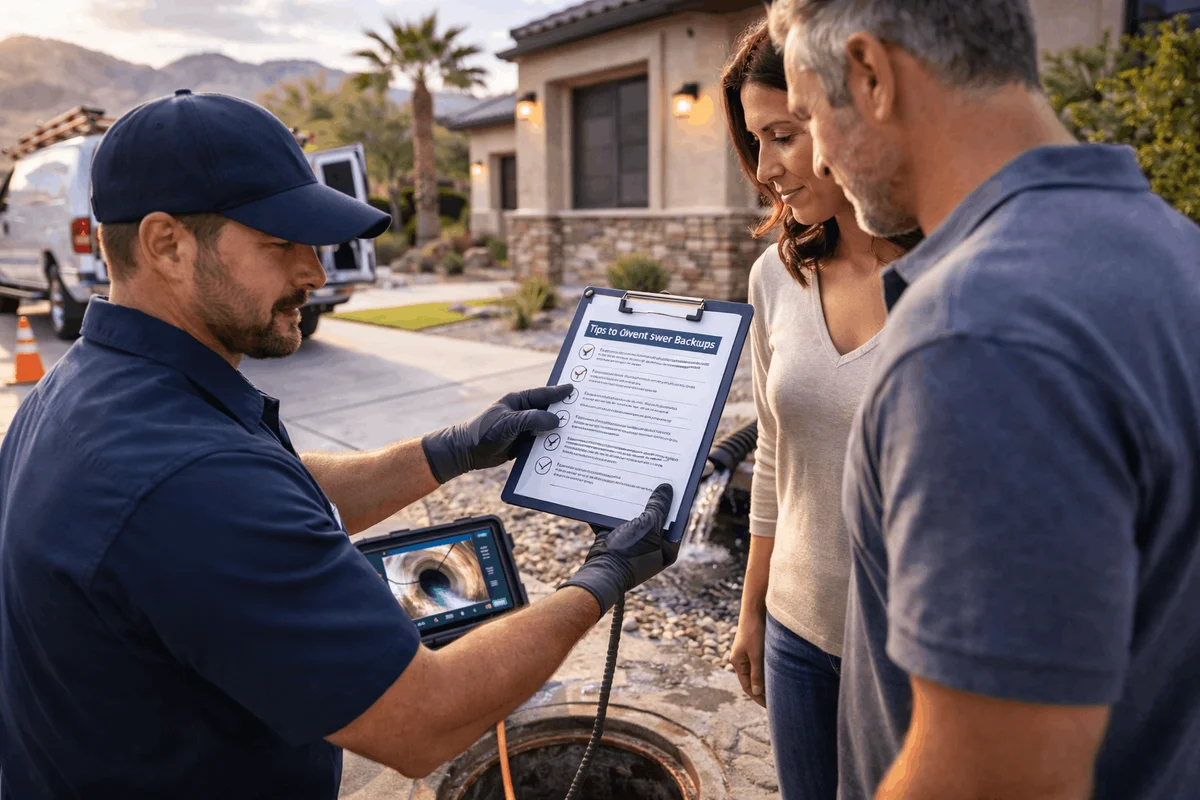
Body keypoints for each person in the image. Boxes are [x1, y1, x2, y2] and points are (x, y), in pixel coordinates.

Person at [0, 89, 678, 799]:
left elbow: (280, 488)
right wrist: (601, 578)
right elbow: (425, 721)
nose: (316, 274)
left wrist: (451, 450)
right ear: (167, 244)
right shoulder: (188, 478)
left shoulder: (77, 391)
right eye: (280, 243)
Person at [765, 1, 1200, 798]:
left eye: (806, 115)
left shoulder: (975, 335)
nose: (818, 157)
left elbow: (996, 779)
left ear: (870, 76)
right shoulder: (1177, 249)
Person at [719, 20, 918, 799]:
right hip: (797, 633)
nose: (764, 169)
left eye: (781, 135)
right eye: (753, 141)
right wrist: (753, 611)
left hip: (909, 652)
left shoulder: (950, 278)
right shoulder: (777, 274)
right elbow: (773, 450)